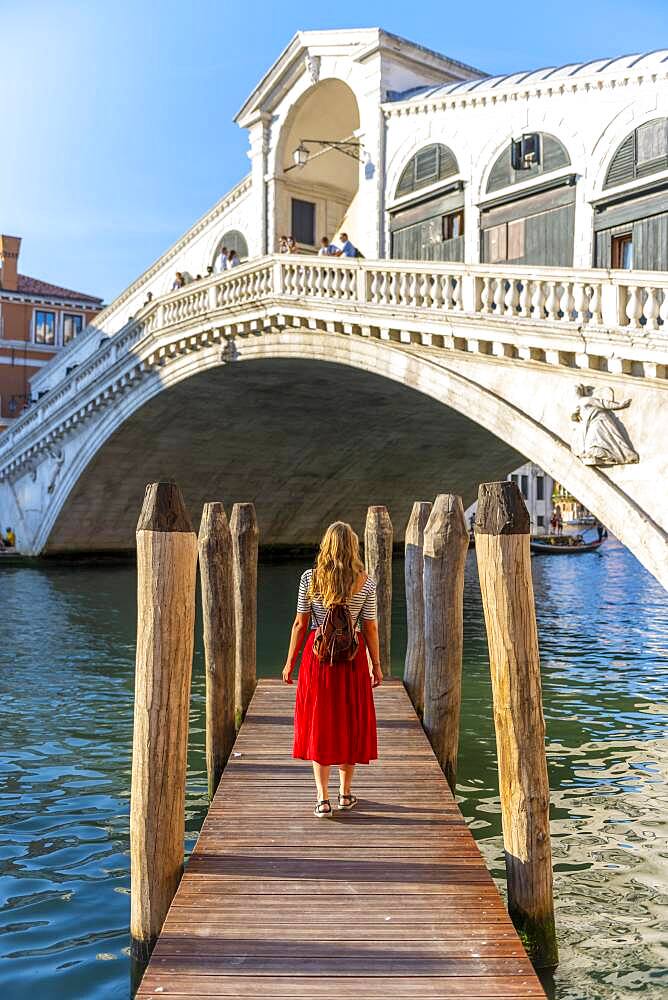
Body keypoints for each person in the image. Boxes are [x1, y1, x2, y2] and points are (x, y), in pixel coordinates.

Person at [282, 521, 382, 818]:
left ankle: (322, 799)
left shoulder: (310, 579)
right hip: (351, 660)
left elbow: (301, 623)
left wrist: (290, 661)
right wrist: (376, 664)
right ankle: (345, 793)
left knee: (320, 723)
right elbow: (371, 627)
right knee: (349, 722)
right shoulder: (365, 581)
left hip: (318, 658)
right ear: (353, 547)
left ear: (326, 546)